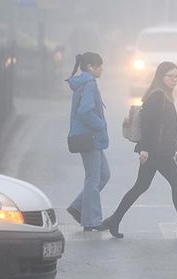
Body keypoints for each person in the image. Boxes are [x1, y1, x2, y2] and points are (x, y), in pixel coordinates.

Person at [102, 61, 177, 238]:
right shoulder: (157, 97)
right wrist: (145, 150)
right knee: (176, 183)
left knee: (140, 186)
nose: (174, 80)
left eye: (176, 76)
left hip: (160, 149)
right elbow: (150, 126)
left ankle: (114, 220)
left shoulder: (164, 96)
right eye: (170, 76)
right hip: (157, 152)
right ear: (160, 77)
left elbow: (165, 127)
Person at [65, 52, 111, 231]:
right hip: (90, 137)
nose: (102, 69)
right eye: (99, 66)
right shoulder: (89, 84)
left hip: (91, 138)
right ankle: (92, 221)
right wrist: (101, 124)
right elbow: (85, 111)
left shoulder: (83, 83)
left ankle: (78, 207)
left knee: (104, 175)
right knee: (93, 179)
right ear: (91, 67)